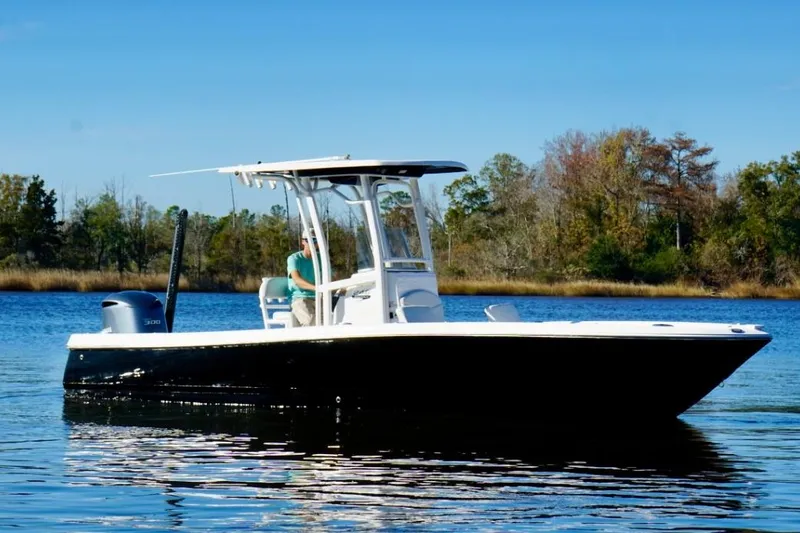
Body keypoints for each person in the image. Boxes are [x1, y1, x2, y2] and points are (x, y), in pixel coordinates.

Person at [287, 230, 318, 326]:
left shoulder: (321, 259)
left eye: (315, 240)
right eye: (309, 240)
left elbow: (331, 279)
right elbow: (297, 280)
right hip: (300, 298)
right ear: (303, 242)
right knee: (311, 321)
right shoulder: (294, 259)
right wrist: (317, 288)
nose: (312, 243)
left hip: (319, 298)